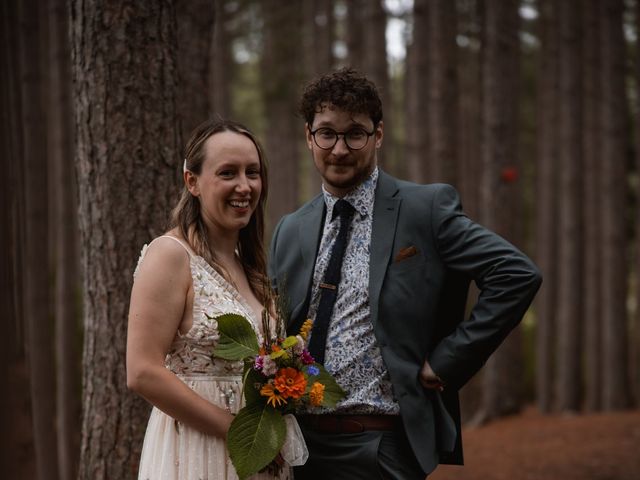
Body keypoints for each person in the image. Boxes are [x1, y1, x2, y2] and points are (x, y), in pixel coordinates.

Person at [268, 68, 542, 479]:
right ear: (309, 137)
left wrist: (448, 361)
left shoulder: (424, 208)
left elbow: (515, 274)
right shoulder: (290, 228)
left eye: (355, 133)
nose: (339, 149)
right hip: (299, 449)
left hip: (381, 446)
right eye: (327, 133)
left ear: (378, 135)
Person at [127, 119, 296, 479]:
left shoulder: (250, 268)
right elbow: (142, 372)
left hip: (258, 452)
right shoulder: (170, 255)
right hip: (197, 450)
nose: (244, 186)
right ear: (193, 182)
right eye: (228, 173)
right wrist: (235, 431)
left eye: (253, 172)